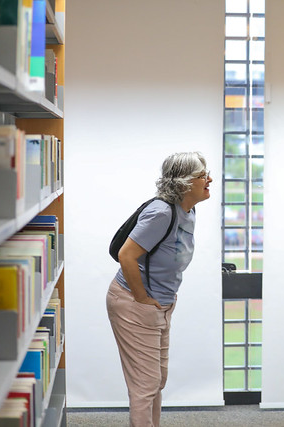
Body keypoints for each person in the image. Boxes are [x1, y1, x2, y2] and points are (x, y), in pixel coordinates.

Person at [106, 152, 212, 427]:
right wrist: (142, 298)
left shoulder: (187, 211)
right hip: (133, 303)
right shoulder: (161, 212)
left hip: (161, 305)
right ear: (185, 183)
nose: (209, 179)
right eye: (203, 176)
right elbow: (126, 255)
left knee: (157, 380)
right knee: (145, 385)